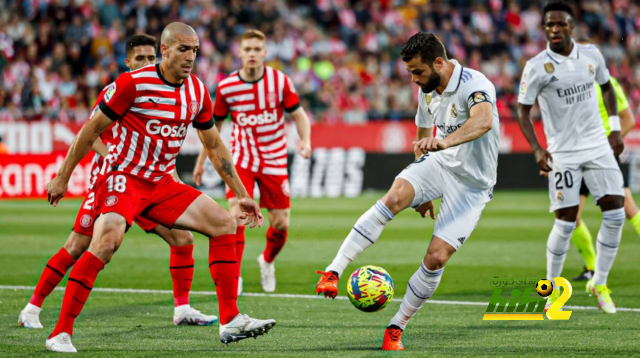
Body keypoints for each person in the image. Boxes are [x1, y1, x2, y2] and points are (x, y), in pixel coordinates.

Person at [44, 23, 275, 353]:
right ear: (164, 50)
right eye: (183, 49)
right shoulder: (131, 84)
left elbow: (213, 144)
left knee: (224, 223)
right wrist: (63, 176)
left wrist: (240, 193)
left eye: (195, 50)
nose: (190, 57)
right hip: (123, 176)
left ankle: (230, 320)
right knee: (107, 241)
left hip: (162, 182)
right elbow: (90, 130)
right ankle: (60, 331)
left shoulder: (196, 91)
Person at [18, 34, 218, 331]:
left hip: (149, 184)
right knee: (77, 246)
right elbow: (90, 133)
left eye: (151, 58)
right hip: (113, 180)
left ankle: (182, 308)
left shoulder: (167, 90)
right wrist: (111, 155)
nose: (147, 63)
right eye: (140, 58)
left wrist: (169, 173)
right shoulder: (121, 88)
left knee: (182, 238)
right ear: (127, 62)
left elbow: (161, 142)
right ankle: (32, 307)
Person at [315, 32, 499, 351]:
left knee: (437, 258)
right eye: (410, 72)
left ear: (439, 62)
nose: (413, 79)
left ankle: (396, 327)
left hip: (473, 184)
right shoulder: (427, 91)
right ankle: (333, 270)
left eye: (418, 71)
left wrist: (445, 141)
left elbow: (483, 121)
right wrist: (423, 188)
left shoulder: (474, 84)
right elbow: (423, 135)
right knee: (394, 197)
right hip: (439, 164)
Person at [517, 1, 624, 314]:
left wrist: (614, 128)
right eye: (549, 25)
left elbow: (606, 88)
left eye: (560, 24)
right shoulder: (537, 66)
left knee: (615, 214)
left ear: (571, 26)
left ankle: (599, 283)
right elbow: (523, 110)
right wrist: (537, 148)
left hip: (597, 146)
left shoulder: (591, 54)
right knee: (565, 223)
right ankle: (552, 291)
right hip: (563, 153)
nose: (554, 29)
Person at [192, 29, 312, 293]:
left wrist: (305, 141)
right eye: (248, 49)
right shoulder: (227, 87)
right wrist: (202, 162)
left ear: (265, 52)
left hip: (274, 161)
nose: (252, 54)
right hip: (241, 161)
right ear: (240, 52)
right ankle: (234, 276)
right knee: (236, 216)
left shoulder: (280, 82)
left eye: (257, 49)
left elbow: (300, 116)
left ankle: (267, 261)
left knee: (280, 224)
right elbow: (211, 129)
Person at [570, 71, 637, 281]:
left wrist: (608, 146)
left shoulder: (607, 83)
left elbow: (629, 119)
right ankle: (591, 267)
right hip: (578, 156)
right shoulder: (571, 82)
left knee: (628, 209)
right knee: (571, 216)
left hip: (603, 155)